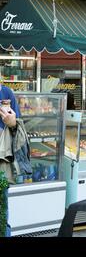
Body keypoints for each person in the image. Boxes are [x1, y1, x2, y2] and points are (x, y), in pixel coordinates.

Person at [0, 84, 31, 237]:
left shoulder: (6, 92)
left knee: (1, 216)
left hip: (1, 162)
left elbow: (17, 126)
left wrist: (11, 122)